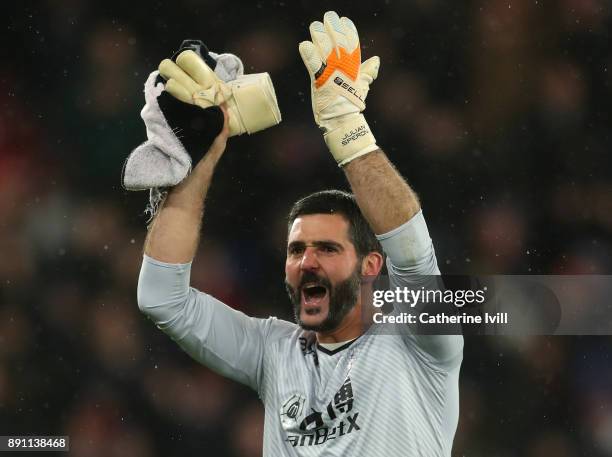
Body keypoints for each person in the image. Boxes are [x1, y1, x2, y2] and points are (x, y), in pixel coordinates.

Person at [137, 11, 463, 456]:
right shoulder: (273, 351)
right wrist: (196, 162)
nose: (307, 262)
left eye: (327, 248)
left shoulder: (419, 339)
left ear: (370, 266)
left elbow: (413, 256)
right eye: (296, 250)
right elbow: (163, 299)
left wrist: (349, 129)